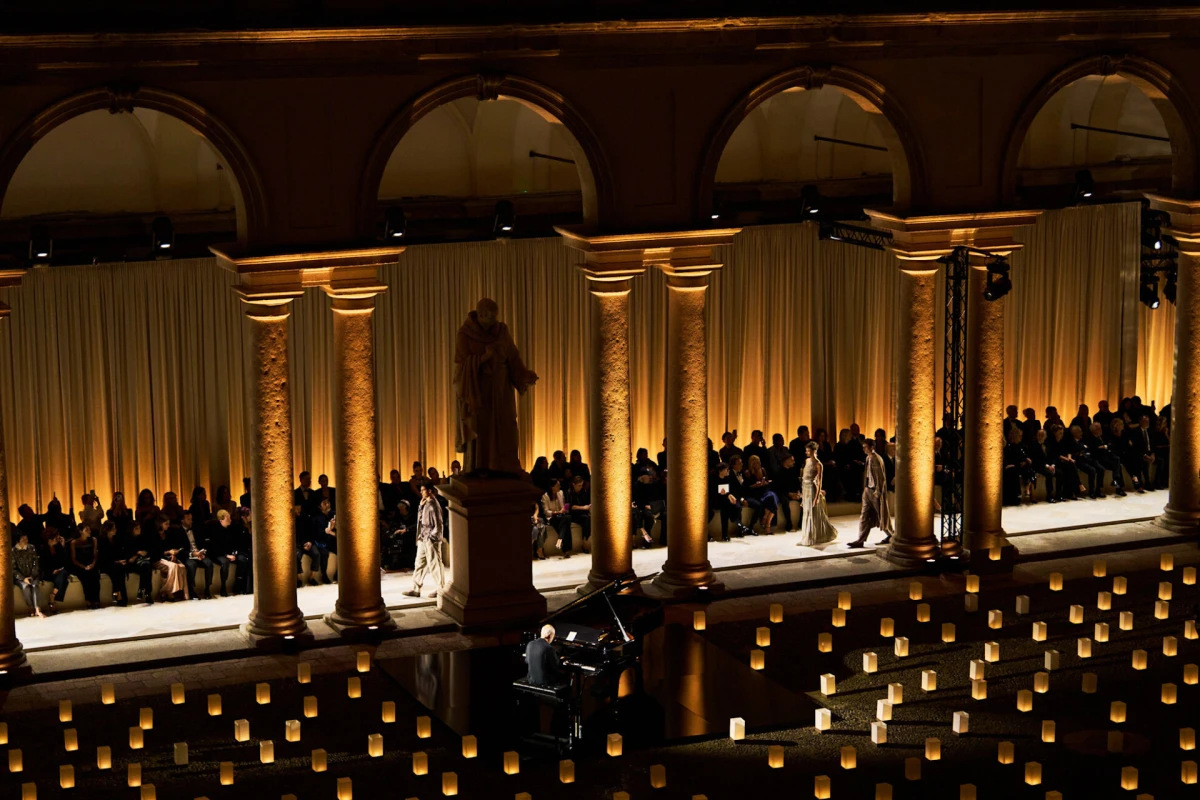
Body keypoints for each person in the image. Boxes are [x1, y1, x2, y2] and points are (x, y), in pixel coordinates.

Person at [454, 297, 539, 474]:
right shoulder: (465, 335)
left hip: (501, 389)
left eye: (495, 317)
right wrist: (483, 358)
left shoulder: (501, 331)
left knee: (506, 426)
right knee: (482, 430)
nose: (494, 321)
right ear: (480, 315)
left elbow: (513, 357)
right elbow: (461, 366)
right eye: (490, 317)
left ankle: (505, 466)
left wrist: (523, 375)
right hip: (479, 392)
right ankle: (480, 467)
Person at [846, 438, 892, 548]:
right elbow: (867, 474)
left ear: (872, 447)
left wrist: (878, 491)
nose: (864, 449)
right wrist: (865, 489)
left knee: (881, 516)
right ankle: (860, 540)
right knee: (864, 516)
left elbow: (881, 477)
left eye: (865, 447)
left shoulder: (877, 459)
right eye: (863, 447)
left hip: (875, 491)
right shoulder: (868, 458)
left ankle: (892, 535)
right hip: (868, 491)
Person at [404, 483, 445, 598]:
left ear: (429, 491)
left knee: (435, 563)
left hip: (430, 539)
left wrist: (432, 537)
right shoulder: (425, 503)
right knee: (419, 563)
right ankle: (416, 588)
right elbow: (421, 519)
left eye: (423, 490)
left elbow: (439, 524)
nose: (421, 492)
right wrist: (420, 507)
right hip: (423, 537)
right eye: (421, 490)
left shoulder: (433, 505)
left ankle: (440, 588)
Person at [798, 441, 838, 546]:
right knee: (806, 512)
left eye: (809, 451)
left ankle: (812, 536)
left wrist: (817, 497)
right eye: (806, 450)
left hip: (812, 488)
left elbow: (819, 482)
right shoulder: (807, 461)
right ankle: (807, 535)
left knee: (812, 512)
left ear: (814, 451)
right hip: (805, 488)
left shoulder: (818, 464)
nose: (807, 452)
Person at [151, 515, 190, 601]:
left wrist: (172, 555)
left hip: (167, 558)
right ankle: (166, 591)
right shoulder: (154, 535)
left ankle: (181, 593)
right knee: (173, 567)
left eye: (168, 524)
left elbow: (170, 548)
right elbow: (155, 553)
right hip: (157, 559)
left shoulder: (168, 534)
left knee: (182, 567)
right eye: (166, 524)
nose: (168, 526)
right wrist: (169, 552)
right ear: (160, 524)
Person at [98, 520, 136, 606]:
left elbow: (119, 553)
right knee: (117, 570)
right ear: (107, 530)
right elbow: (103, 557)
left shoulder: (116, 539)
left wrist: (122, 560)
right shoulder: (101, 540)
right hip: (105, 563)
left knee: (120, 571)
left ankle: (119, 596)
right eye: (113, 529)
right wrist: (117, 562)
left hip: (115, 563)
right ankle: (119, 596)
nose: (115, 530)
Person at [1087, 422, 1126, 497]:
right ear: (1093, 430)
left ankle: (1118, 486)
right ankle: (1099, 489)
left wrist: (1104, 447)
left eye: (1100, 428)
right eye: (1098, 428)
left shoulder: (1103, 436)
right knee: (1102, 469)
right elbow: (1093, 451)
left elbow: (1111, 445)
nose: (1101, 430)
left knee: (1117, 462)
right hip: (1097, 459)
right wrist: (1104, 447)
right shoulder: (1090, 438)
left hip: (1106, 458)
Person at [183, 511, 215, 599]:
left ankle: (207, 589)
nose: (191, 521)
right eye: (188, 519)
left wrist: (202, 553)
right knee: (192, 565)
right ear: (182, 520)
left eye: (191, 519)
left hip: (198, 553)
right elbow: (180, 550)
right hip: (188, 556)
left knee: (209, 563)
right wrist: (192, 554)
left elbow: (203, 543)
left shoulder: (196, 529)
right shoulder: (178, 531)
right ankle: (191, 590)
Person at [631, 465, 666, 547]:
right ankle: (642, 535)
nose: (650, 477)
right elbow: (635, 499)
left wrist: (650, 506)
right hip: (638, 507)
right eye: (648, 475)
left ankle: (645, 536)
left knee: (648, 516)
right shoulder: (636, 485)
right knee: (635, 514)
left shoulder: (653, 485)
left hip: (646, 507)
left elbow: (656, 499)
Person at [743, 455, 778, 533]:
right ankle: (767, 526)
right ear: (752, 464)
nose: (759, 464)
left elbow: (767, 481)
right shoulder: (748, 473)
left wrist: (766, 483)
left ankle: (765, 518)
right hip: (754, 493)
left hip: (764, 491)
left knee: (773, 496)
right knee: (771, 499)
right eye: (757, 463)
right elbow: (746, 487)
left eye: (759, 462)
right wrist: (755, 485)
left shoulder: (763, 470)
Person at [69, 525, 101, 608]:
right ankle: (88, 600)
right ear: (81, 532)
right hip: (80, 565)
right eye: (87, 530)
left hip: (91, 563)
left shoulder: (93, 540)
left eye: (89, 529)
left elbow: (95, 555)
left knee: (95, 576)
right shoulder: (74, 542)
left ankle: (96, 600)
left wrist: (92, 564)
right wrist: (83, 567)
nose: (89, 531)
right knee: (85, 578)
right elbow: (74, 559)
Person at [13, 532, 45, 617]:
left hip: (32, 575)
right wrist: (23, 578)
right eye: (23, 539)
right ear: (18, 541)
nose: (26, 541)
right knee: (26, 587)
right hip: (20, 577)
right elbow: (13, 569)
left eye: (26, 539)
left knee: (35, 585)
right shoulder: (13, 551)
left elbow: (35, 563)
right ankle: (30, 607)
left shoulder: (32, 548)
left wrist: (32, 575)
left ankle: (38, 608)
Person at [708, 462, 740, 542]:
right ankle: (736, 522)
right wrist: (722, 494)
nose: (728, 471)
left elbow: (727, 491)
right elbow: (711, 493)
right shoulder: (713, 479)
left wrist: (729, 495)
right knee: (725, 506)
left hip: (722, 500)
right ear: (721, 471)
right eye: (726, 470)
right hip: (713, 500)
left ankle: (725, 534)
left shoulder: (727, 479)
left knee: (726, 507)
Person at [40, 531, 71, 611]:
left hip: (58, 572)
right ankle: (52, 598)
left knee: (63, 574)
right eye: (56, 538)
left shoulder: (58, 547)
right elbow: (42, 566)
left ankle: (52, 596)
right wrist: (52, 571)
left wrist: (63, 546)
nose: (58, 539)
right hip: (48, 572)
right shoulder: (43, 549)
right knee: (64, 579)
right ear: (50, 539)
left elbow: (64, 561)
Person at [1024, 428, 1057, 503]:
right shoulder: (1033, 445)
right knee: (1049, 474)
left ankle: (1059, 494)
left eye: (1042, 435)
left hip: (1049, 465)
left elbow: (1052, 456)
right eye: (1039, 435)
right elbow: (1036, 460)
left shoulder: (1048, 444)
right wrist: (1047, 466)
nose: (1040, 437)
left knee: (1060, 473)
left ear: (1046, 436)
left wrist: (1053, 465)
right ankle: (1049, 496)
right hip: (1038, 466)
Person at [542, 478, 573, 558]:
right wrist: (557, 512)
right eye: (558, 485)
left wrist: (564, 509)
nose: (560, 486)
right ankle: (566, 549)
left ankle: (560, 540)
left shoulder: (560, 493)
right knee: (566, 522)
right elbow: (546, 512)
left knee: (567, 518)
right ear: (553, 487)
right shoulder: (545, 496)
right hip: (552, 517)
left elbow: (562, 506)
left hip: (561, 516)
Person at [1048, 426, 1079, 501]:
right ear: (1055, 433)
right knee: (1061, 472)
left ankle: (1069, 492)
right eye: (1060, 433)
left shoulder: (1063, 441)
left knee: (1070, 467)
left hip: (1062, 461)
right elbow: (1056, 455)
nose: (1062, 435)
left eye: (1062, 433)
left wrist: (1069, 458)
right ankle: (1060, 494)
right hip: (1054, 462)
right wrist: (1067, 459)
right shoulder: (1051, 442)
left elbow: (1068, 451)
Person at [1003, 428, 1033, 506]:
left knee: (1029, 468)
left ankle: (1027, 488)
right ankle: (1017, 495)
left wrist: (1026, 460)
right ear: (1014, 436)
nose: (1021, 437)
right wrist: (1019, 463)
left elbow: (1022, 456)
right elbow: (1009, 460)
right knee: (1013, 471)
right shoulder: (1008, 447)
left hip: (1018, 466)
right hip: (1011, 466)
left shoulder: (1020, 446)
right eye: (1019, 436)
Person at [1069, 425, 1101, 498]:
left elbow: (1086, 449)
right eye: (1080, 432)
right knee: (1092, 470)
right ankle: (1091, 491)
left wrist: (1084, 453)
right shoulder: (1071, 442)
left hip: (1086, 459)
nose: (1082, 433)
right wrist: (1081, 453)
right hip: (1078, 462)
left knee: (1100, 468)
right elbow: (1073, 453)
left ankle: (1098, 490)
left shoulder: (1082, 440)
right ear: (1075, 433)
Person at [1125, 415, 1154, 492]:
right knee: (1138, 464)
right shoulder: (1135, 432)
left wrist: (1152, 454)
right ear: (1140, 422)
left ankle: (1148, 482)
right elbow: (1135, 447)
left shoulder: (1150, 431)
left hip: (1148, 453)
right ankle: (1139, 484)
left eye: (1148, 421)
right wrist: (1145, 455)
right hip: (1138, 454)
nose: (1147, 423)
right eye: (1145, 421)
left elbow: (1152, 444)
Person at [834, 428, 864, 502]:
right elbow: (838, 458)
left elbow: (855, 454)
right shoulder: (838, 446)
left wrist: (856, 461)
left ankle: (857, 493)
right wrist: (847, 463)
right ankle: (850, 494)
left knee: (857, 469)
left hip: (851, 464)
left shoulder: (852, 444)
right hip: (841, 465)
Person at [775, 453, 802, 532]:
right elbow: (779, 487)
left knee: (804, 499)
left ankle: (801, 522)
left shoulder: (793, 470)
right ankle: (789, 524)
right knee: (785, 501)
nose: (794, 462)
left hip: (793, 492)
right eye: (792, 460)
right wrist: (789, 494)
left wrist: (798, 493)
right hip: (783, 493)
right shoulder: (779, 471)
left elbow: (797, 483)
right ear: (786, 461)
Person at [566, 475, 591, 543]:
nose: (580, 487)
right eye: (579, 485)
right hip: (573, 514)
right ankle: (584, 540)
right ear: (573, 484)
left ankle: (587, 538)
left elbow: (586, 502)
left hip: (582, 512)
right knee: (586, 518)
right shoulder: (569, 492)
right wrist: (583, 507)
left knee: (589, 518)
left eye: (581, 485)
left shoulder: (583, 491)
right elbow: (569, 506)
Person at [1152, 416, 1170, 489]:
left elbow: (1170, 443)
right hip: (1158, 452)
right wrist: (1165, 446)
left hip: (1165, 452)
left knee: (1167, 459)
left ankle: (1164, 481)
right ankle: (1157, 482)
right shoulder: (1155, 432)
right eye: (1164, 423)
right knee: (1162, 461)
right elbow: (1156, 445)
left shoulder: (1166, 432)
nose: (1166, 424)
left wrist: (1166, 434)